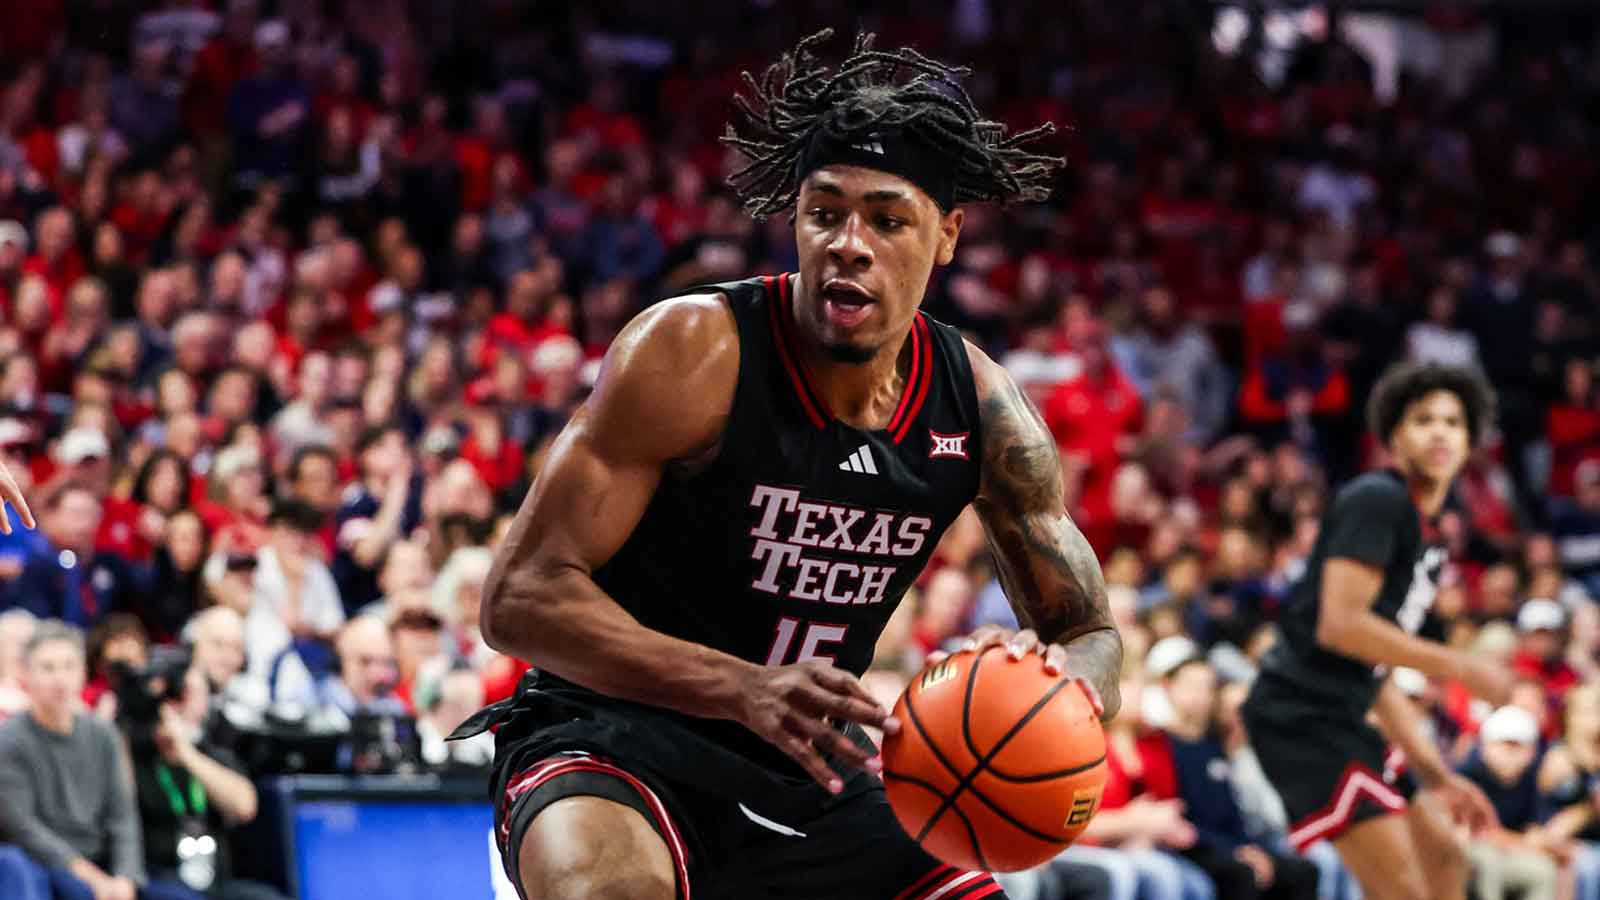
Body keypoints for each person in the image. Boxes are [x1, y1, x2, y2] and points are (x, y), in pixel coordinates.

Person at [450, 29, 1122, 900]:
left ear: (947, 235)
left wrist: (1062, 687)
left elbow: (1091, 632)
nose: (849, 242)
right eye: (824, 211)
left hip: (809, 772)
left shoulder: (985, 412)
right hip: (609, 738)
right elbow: (518, 599)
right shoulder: (692, 351)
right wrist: (742, 688)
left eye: (887, 219)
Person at [1241, 362, 1512, 900]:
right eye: (1423, 420)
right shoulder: (1378, 499)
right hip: (1299, 715)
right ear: (1395, 435)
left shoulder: (1428, 538)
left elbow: (1376, 670)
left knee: (1446, 856)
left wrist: (1438, 775)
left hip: (1343, 711)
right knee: (1403, 889)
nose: (1440, 431)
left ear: (1470, 440)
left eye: (1454, 422)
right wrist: (1460, 665)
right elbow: (1341, 627)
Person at [0, 621, 193, 900]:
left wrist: (126, 878)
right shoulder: (10, 740)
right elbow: (23, 828)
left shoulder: (103, 735)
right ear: (26, 675)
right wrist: (92, 878)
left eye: (69, 666)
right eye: (48, 668)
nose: (60, 678)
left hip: (103, 864)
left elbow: (122, 816)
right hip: (46, 866)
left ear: (83, 672)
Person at [130, 665, 288, 900]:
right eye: (182, 693)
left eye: (199, 694)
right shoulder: (137, 755)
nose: (190, 704)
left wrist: (186, 753)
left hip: (213, 881)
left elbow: (244, 806)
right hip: (158, 877)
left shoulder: (213, 754)